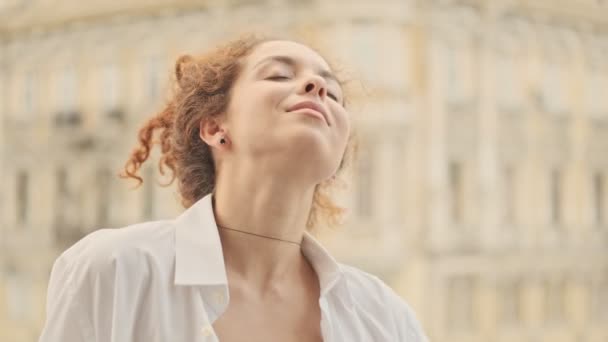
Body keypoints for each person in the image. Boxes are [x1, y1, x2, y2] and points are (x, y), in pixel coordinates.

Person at [39, 34, 428, 342]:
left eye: (333, 92)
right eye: (279, 74)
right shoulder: (116, 270)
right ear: (213, 127)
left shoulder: (385, 318)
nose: (316, 87)